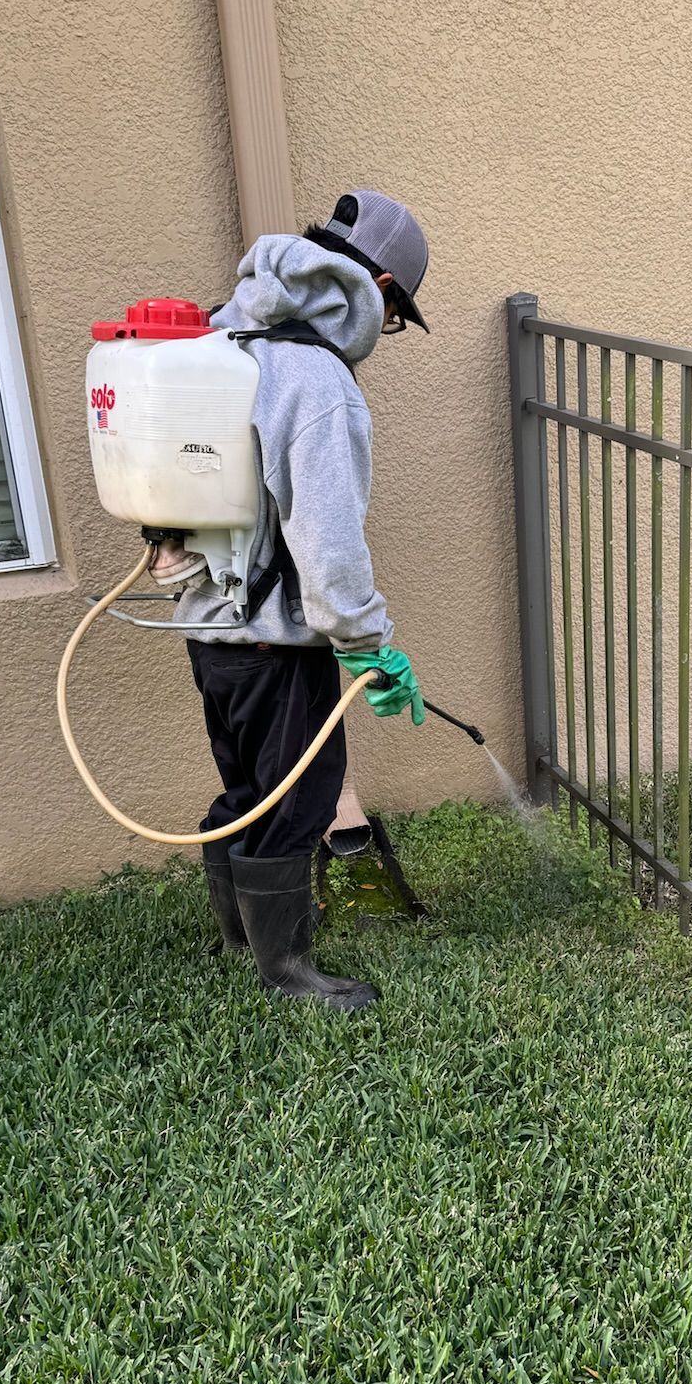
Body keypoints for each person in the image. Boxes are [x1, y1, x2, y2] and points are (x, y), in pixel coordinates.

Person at [175, 190, 430, 1012]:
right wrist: (366, 641)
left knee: (247, 786)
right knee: (302, 796)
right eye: (392, 316)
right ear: (379, 289)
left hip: (207, 625)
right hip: (277, 638)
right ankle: (287, 975)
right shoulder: (316, 379)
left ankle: (239, 937)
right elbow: (327, 544)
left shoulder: (222, 332)